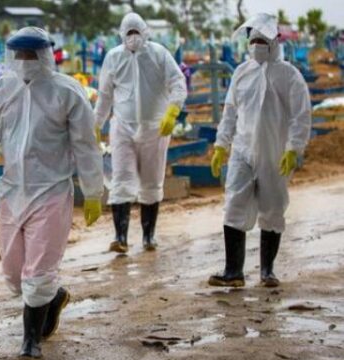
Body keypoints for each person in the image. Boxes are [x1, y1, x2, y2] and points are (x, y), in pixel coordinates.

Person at [0, 27, 104, 360]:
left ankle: (30, 343)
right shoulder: (3, 89)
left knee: (37, 273)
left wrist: (92, 190)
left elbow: (85, 143)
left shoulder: (66, 92)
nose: (24, 62)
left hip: (51, 192)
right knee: (13, 274)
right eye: (18, 55)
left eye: (30, 54)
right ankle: (55, 297)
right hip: (11, 192)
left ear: (46, 55)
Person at [208, 13, 311, 288]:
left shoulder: (289, 75)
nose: (256, 45)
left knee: (273, 208)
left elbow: (301, 115)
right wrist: (221, 145)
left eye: (261, 40)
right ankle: (233, 271)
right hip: (242, 150)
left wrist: (293, 148)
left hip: (274, 153)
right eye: (252, 39)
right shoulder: (241, 73)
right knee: (233, 206)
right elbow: (230, 113)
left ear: (274, 41)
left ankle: (267, 271)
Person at [93, 12, 188, 253]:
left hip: (155, 127)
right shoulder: (113, 58)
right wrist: (95, 124)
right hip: (122, 127)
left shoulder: (158, 54)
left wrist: (172, 111)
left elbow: (178, 83)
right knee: (121, 179)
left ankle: (148, 236)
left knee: (151, 180)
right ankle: (120, 237)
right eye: (129, 33)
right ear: (122, 35)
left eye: (137, 32)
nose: (133, 38)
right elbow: (104, 96)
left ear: (145, 32)